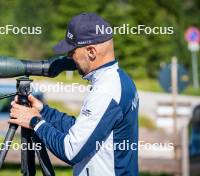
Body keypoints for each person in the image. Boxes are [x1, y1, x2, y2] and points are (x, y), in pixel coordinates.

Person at [9, 12, 139, 176]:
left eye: (72, 51)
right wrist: (43, 111)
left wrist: (34, 122)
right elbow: (84, 132)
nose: (69, 56)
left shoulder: (106, 91)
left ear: (91, 52)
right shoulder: (121, 80)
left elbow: (71, 151)